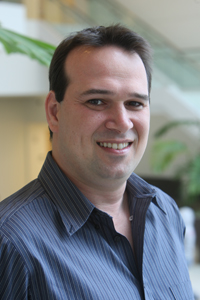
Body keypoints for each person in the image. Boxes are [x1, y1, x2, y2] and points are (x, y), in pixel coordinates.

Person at [0, 25, 194, 300]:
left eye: (135, 103)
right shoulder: (10, 242)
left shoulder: (164, 212)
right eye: (98, 101)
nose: (122, 122)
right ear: (54, 112)